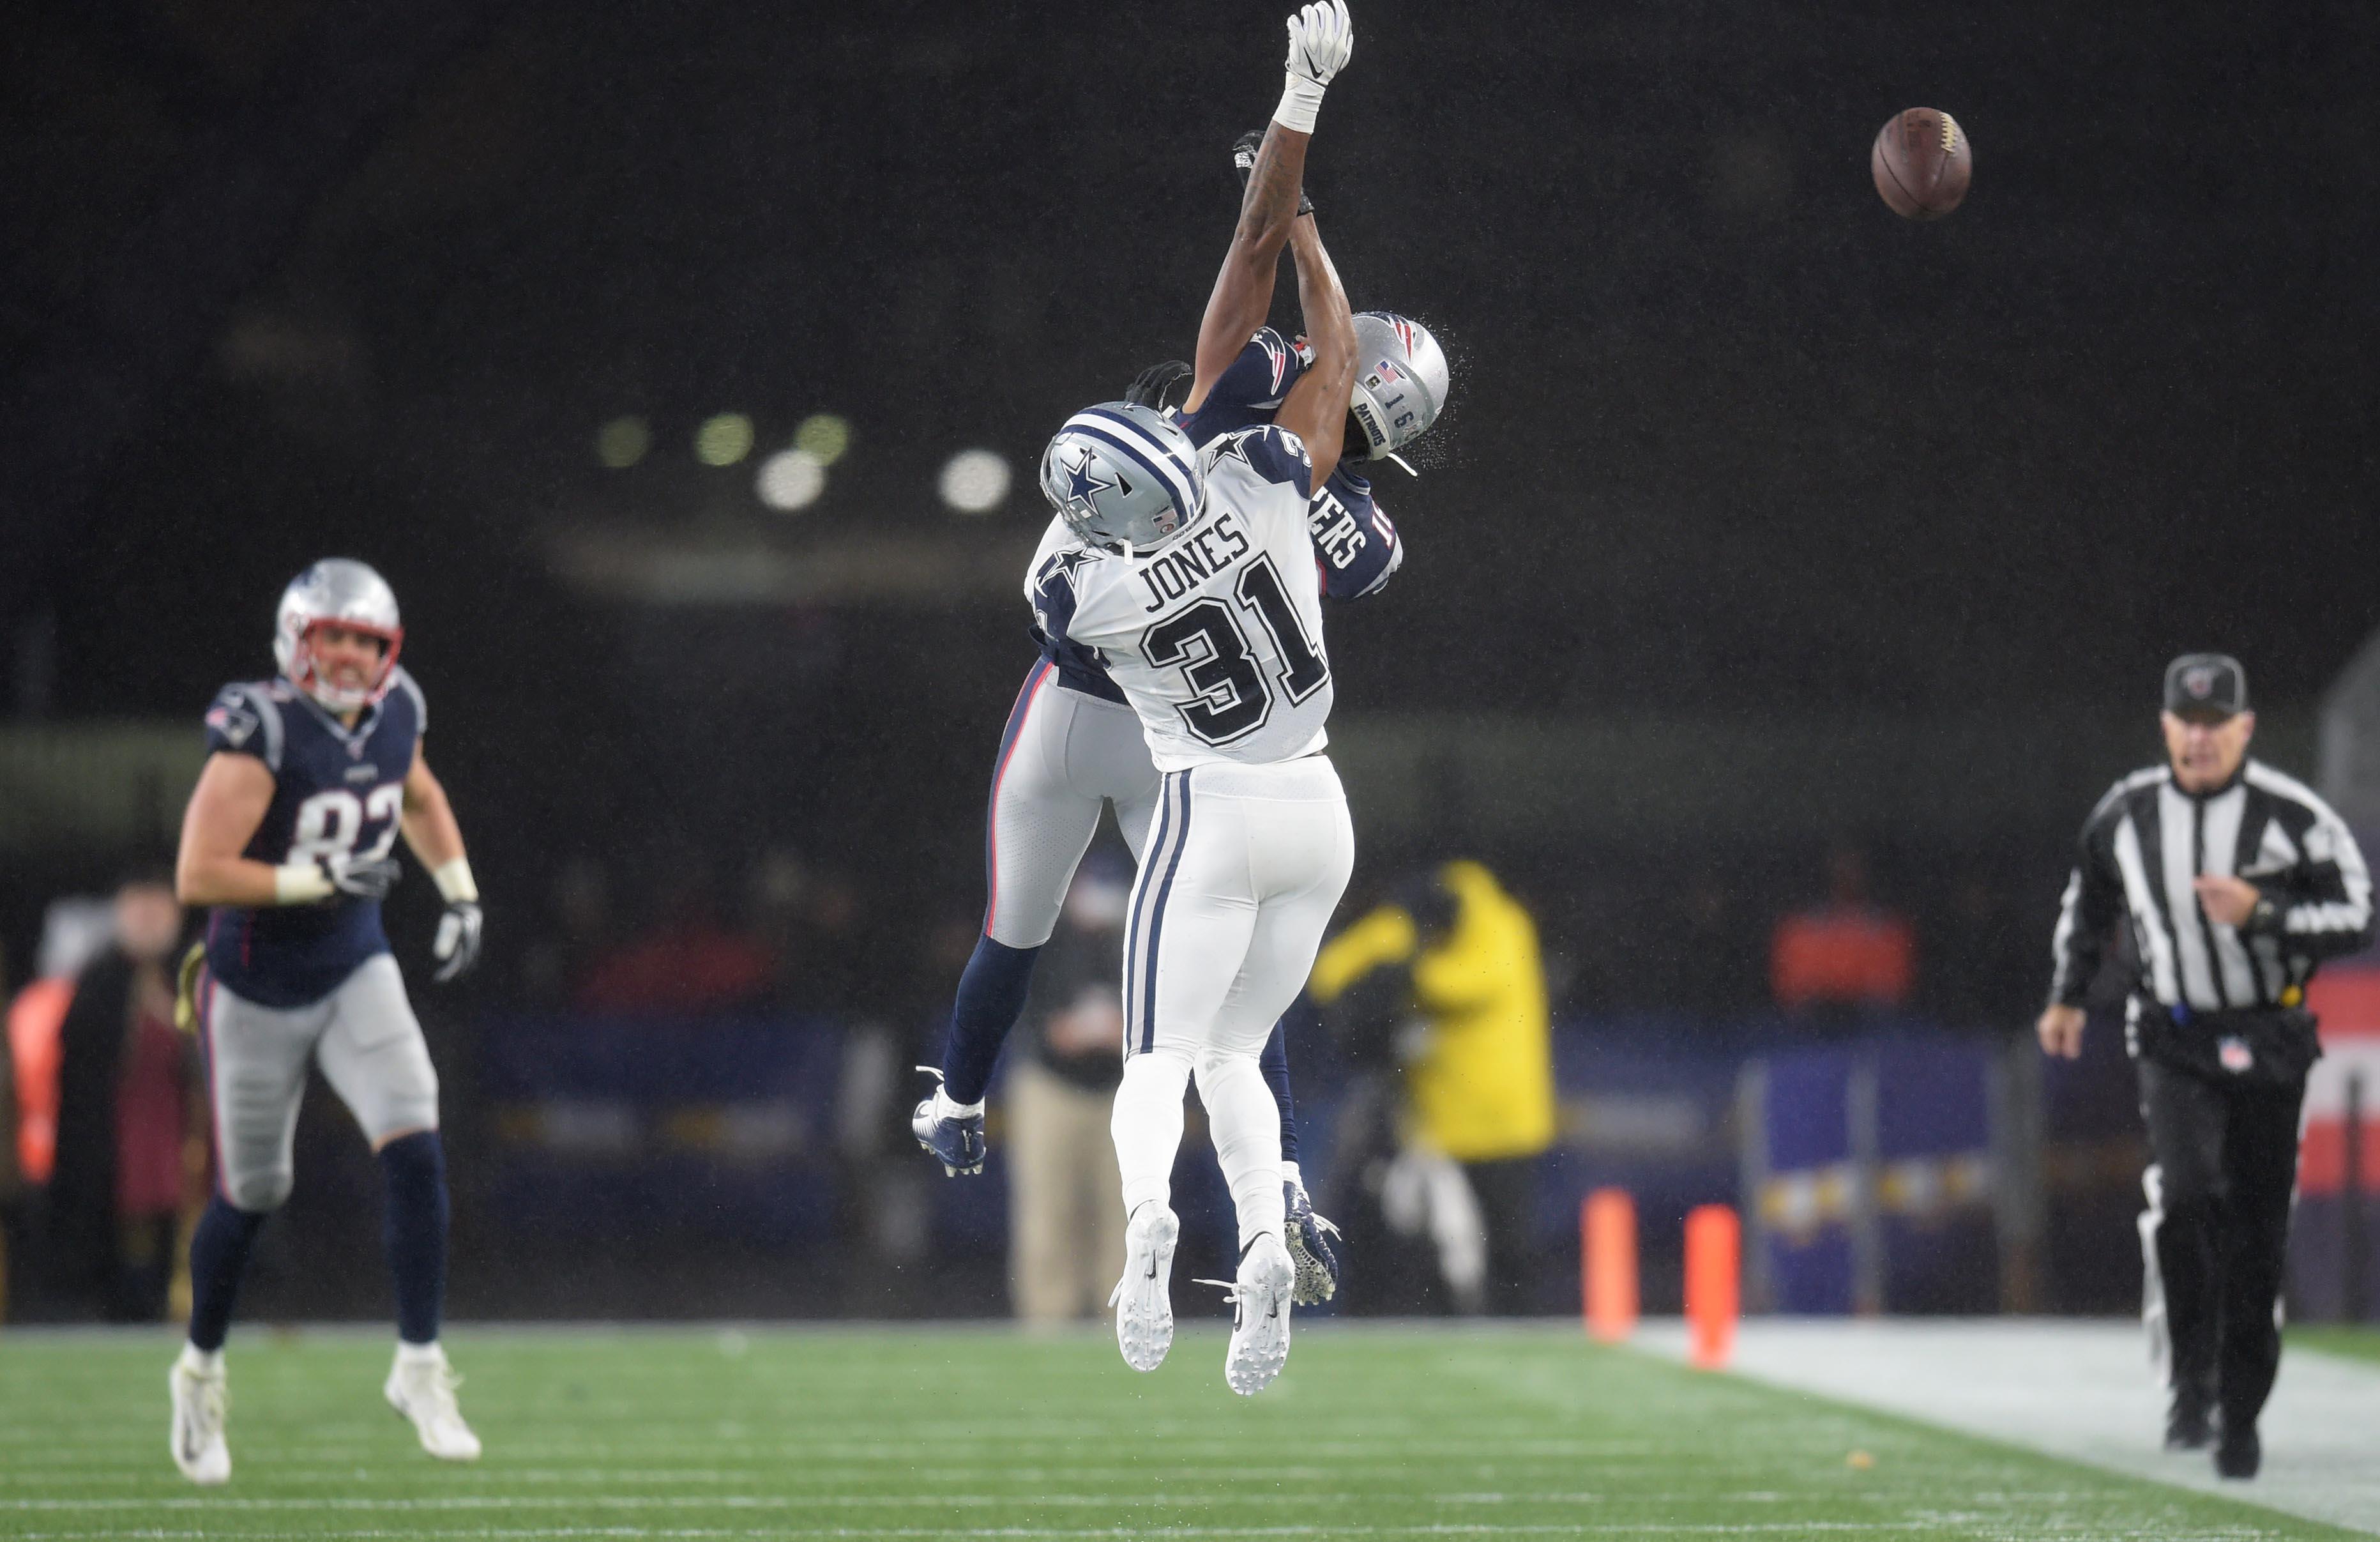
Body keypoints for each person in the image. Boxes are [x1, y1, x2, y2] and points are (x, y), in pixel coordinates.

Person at [911, 6, 1446, 1325]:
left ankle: (957, 1097)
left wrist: (1298, 146)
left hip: (1099, 695)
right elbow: (1339, 504)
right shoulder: (1313, 490)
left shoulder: (1203, 449)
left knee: (1023, 931)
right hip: (1223, 757)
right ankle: (1283, 1196)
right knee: (1233, 1006)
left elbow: (1254, 276)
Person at [1011, 0, 1379, 1396]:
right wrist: (1300, 197)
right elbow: (1328, 359)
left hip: (1211, 814)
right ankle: (1266, 1244)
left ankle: (1153, 1236)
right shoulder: (1264, 480)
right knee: (1242, 1049)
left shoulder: (1083, 588)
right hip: (1319, 807)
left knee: (1159, 1059)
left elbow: (1068, 586)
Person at [166, 559, 487, 1483]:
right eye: (331, 637)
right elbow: (199, 872)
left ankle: (419, 1367)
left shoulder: (396, 710)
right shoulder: (260, 727)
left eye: (364, 641)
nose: (347, 657)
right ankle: (200, 1370)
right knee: (253, 1193)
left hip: (354, 967)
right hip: (257, 986)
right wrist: (317, 880)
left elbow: (415, 792)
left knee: (418, 1140)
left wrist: (459, 892)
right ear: (296, 641)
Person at [2038, 652, 2373, 1480]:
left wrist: (2262, 911)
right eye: (2184, 723)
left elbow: (2357, 914)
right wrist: (2065, 997)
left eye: (2213, 723)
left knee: (2257, 1227)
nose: (2198, 738)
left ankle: (2239, 1407)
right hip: (2174, 1032)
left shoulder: (2291, 815)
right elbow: (2088, 903)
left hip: (2267, 1034)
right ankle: (2189, 1381)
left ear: (2244, 728)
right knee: (2188, 1195)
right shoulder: (2125, 812)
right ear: (2163, 727)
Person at [1308, 861, 1554, 1313]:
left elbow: (1473, 983)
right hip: (1436, 1127)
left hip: (1501, 1127)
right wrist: (1389, 961)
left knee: (1508, 1244)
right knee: (1425, 1247)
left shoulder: (1501, 923)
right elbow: (1330, 971)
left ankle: (1517, 1328)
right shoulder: (1417, 922)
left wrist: (1406, 974)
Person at [46, 870, 204, 1322]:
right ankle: (122, 1300)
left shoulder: (190, 971)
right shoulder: (99, 979)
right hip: (116, 1125)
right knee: (124, 1206)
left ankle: (177, 1293)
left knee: (177, 1201)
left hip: (176, 1120)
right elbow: (79, 1059)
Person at [1006, 862, 1131, 1324]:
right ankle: (1046, 1329)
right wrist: (1049, 1030)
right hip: (1049, 1084)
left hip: (1124, 1089)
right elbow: (1006, 995)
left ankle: (1123, 1329)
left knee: (1127, 1217)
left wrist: (1127, 1031)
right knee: (1046, 1215)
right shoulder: (1039, 924)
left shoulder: (1140, 930)